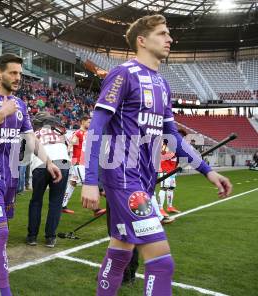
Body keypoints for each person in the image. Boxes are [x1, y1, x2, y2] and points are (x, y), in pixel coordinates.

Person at [81, 15, 232, 296]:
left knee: (121, 251)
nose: (170, 39)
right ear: (142, 40)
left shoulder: (162, 83)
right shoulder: (123, 73)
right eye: (162, 34)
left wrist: (208, 171)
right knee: (162, 263)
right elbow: (96, 129)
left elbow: (173, 138)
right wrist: (90, 180)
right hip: (123, 177)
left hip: (146, 179)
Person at [0, 53, 62, 296]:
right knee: (1, 232)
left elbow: (30, 139)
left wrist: (49, 162)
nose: (18, 78)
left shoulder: (19, 104)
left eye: (20, 73)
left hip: (10, 179)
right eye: (13, 73)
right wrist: (0, 115)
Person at [26, 112, 71, 247]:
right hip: (62, 162)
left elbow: (29, 148)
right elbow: (67, 147)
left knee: (36, 200)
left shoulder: (33, 132)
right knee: (56, 202)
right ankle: (50, 237)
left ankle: (32, 236)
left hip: (40, 162)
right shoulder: (59, 130)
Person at [62, 116, 105, 216]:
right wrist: (67, 153)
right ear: (82, 122)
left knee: (72, 183)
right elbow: (71, 144)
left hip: (84, 162)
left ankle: (62, 205)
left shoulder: (88, 133)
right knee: (88, 182)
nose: (90, 124)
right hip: (78, 163)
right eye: (89, 122)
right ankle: (96, 209)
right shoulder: (78, 133)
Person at [158, 139, 180, 216]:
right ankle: (160, 209)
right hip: (165, 171)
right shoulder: (164, 147)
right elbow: (163, 155)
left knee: (171, 188)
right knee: (163, 188)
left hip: (172, 171)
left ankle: (169, 207)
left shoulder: (173, 148)